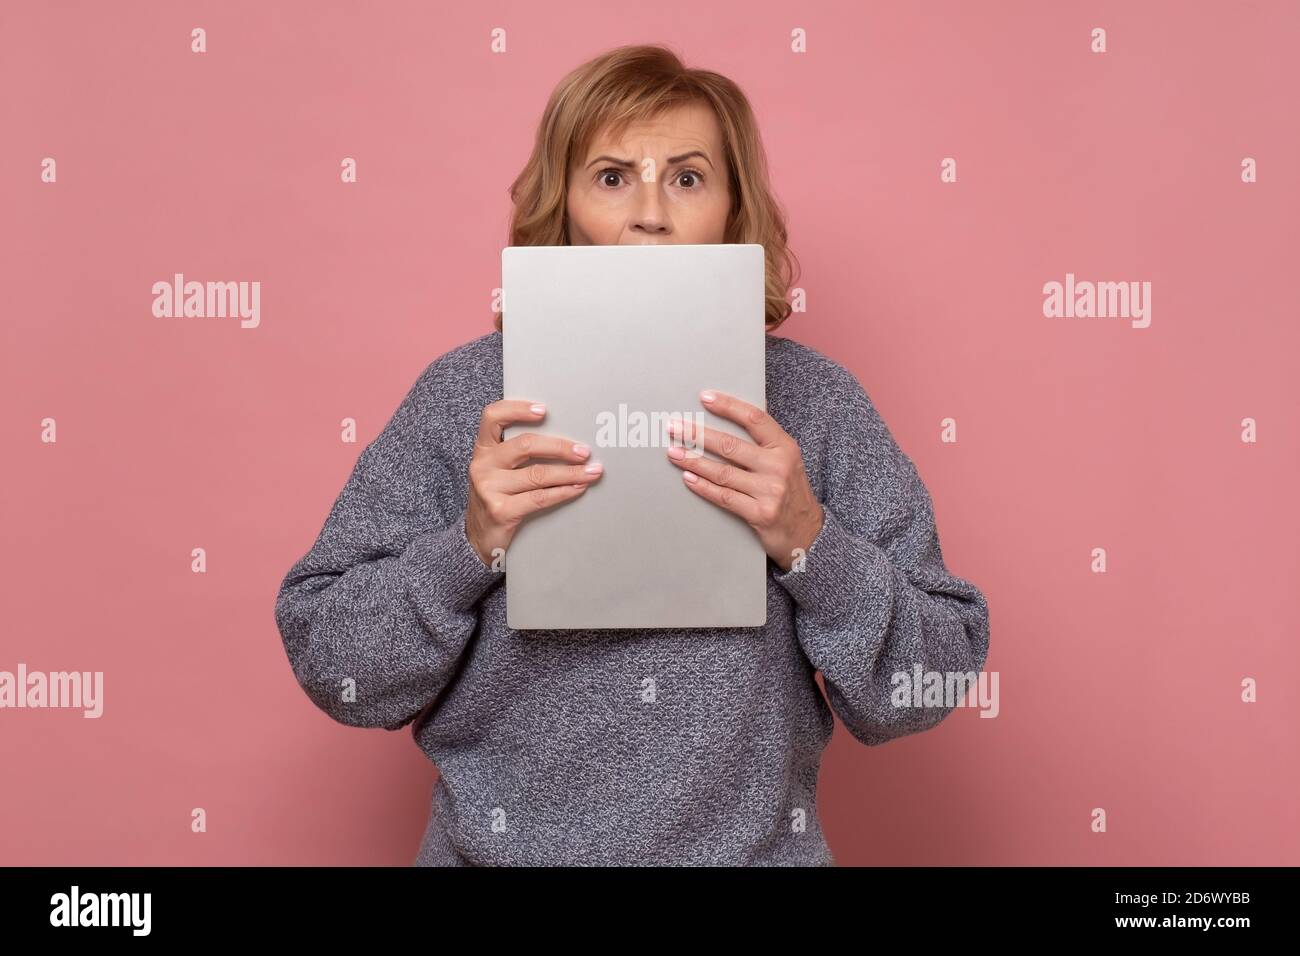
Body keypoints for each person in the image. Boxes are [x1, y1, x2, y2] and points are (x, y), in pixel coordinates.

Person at [274, 44, 991, 866]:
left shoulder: (815, 404)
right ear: (565, 205)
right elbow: (334, 668)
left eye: (687, 178)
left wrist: (810, 545)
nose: (650, 212)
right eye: (612, 176)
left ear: (732, 209)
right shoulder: (464, 396)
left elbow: (925, 684)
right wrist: (465, 550)